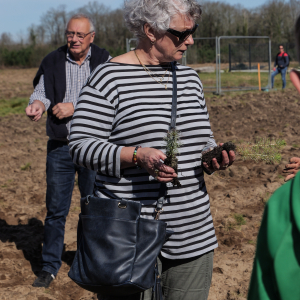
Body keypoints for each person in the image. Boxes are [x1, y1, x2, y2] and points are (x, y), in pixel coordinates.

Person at [68, 1, 235, 299]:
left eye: (192, 31)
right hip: (129, 237)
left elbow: (202, 140)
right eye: (182, 34)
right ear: (150, 31)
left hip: (192, 233)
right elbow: (80, 147)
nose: (191, 40)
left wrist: (212, 156)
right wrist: (135, 156)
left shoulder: (190, 80)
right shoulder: (109, 78)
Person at [25, 14, 110, 288]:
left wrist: (74, 106)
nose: (73, 39)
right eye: (69, 34)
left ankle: (89, 263)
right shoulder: (52, 60)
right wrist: (37, 104)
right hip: (60, 148)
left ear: (91, 37)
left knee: (93, 206)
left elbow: (108, 99)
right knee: (56, 210)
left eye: (79, 35)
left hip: (94, 147)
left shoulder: (104, 61)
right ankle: (49, 266)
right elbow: (41, 90)